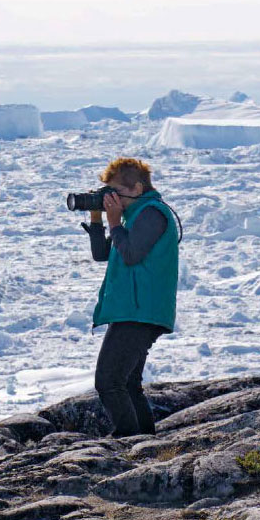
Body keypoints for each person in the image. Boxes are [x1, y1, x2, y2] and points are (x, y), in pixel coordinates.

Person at [82, 157, 179, 438]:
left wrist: (114, 223)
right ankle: (145, 442)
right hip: (133, 309)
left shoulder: (152, 213)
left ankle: (126, 438)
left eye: (115, 192)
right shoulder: (134, 217)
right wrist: (98, 219)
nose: (111, 198)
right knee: (128, 383)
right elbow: (103, 254)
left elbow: (132, 254)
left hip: (140, 311)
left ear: (136, 188)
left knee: (109, 381)